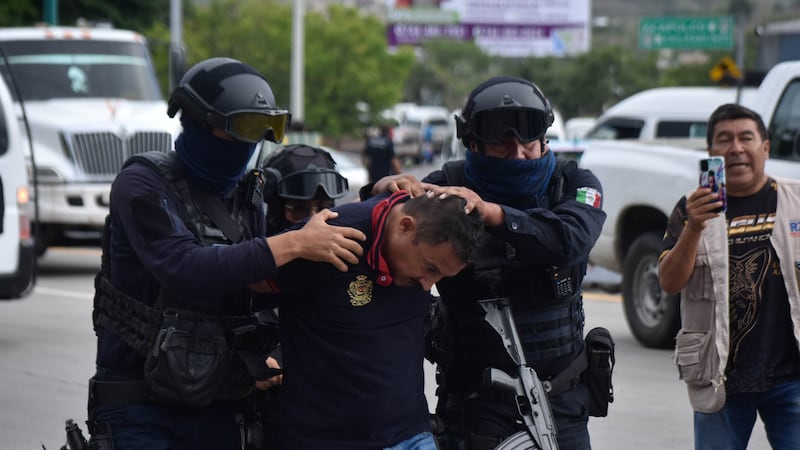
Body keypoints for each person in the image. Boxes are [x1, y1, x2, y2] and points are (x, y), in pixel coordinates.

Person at [88, 57, 366, 450]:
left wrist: (379, 201)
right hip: (142, 410)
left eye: (264, 129)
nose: (251, 143)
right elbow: (185, 268)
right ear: (199, 121)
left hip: (220, 402)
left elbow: (263, 278)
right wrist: (294, 242)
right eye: (243, 127)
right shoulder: (141, 184)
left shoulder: (244, 194)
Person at [364, 76, 607, 449]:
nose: (518, 153)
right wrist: (382, 196)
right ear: (473, 143)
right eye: (502, 144)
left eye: (527, 141)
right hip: (476, 404)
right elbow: (386, 243)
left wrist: (493, 214)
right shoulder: (445, 187)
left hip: (562, 401)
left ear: (544, 138)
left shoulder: (572, 182)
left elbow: (569, 240)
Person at [269, 190, 484, 449]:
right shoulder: (331, 238)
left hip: (413, 437)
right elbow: (240, 288)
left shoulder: (424, 245)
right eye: (430, 268)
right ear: (406, 227)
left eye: (441, 277)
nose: (428, 286)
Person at [658, 103, 800, 449]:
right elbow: (670, 282)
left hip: (792, 378)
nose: (736, 148)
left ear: (764, 148)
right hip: (720, 378)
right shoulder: (691, 209)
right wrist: (694, 227)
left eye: (746, 138)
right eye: (724, 140)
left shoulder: (796, 199)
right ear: (711, 153)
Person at [256, 143, 351, 449]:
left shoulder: (344, 257)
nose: (313, 220)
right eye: (298, 209)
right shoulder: (251, 257)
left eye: (321, 207)